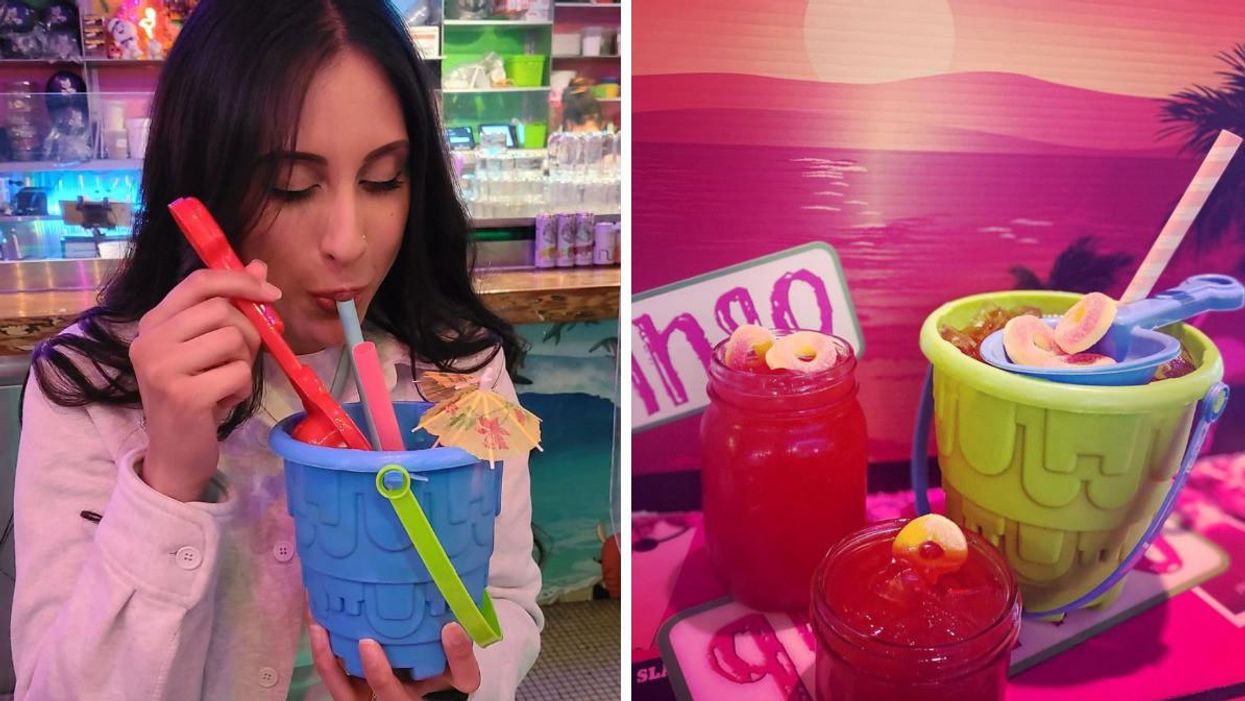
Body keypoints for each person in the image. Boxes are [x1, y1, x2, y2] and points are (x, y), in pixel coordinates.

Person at [12, 2, 542, 699]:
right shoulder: (88, 387)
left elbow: (505, 598)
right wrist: (168, 479)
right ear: (203, 174)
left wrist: (454, 683)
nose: (348, 241)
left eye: (384, 179)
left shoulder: (459, 370)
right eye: (291, 186)